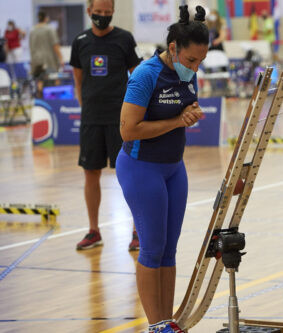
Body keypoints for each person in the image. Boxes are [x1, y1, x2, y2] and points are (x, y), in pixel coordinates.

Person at [115, 5, 208, 333]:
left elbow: (182, 108)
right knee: (152, 249)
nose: (196, 67)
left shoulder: (190, 70)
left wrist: (191, 113)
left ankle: (167, 322)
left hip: (173, 169)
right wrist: (175, 121)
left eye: (201, 61)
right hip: (142, 169)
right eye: (191, 60)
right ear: (173, 49)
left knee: (169, 250)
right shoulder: (145, 74)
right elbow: (128, 131)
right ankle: (155, 325)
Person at [70, 0, 142, 251]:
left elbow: (139, 75)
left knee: (129, 174)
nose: (102, 16)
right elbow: (78, 81)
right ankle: (93, 231)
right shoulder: (79, 41)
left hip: (120, 120)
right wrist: (85, 107)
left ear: (113, 12)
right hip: (91, 119)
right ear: (89, 11)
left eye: (107, 12)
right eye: (97, 12)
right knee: (91, 173)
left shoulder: (124, 39)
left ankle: (137, 231)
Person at [29, 11, 65, 97]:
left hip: (36, 62)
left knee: (39, 83)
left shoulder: (32, 30)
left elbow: (31, 47)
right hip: (49, 62)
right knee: (51, 87)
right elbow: (55, 45)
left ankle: (39, 101)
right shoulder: (50, 29)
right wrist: (61, 58)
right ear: (46, 18)